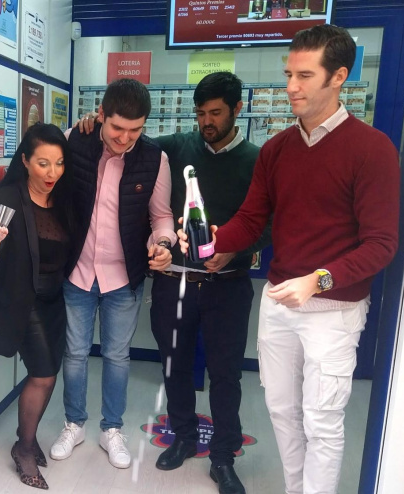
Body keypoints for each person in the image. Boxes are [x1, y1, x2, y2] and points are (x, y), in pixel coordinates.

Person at [178, 25, 400, 494]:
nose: (291, 87)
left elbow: (381, 244)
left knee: (322, 420)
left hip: (333, 308)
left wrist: (317, 281)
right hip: (280, 302)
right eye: (288, 74)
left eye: (304, 75)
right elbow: (251, 216)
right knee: (281, 410)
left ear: (338, 76)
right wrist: (211, 242)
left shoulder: (372, 149)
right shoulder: (278, 149)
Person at [76, 72, 269, 494]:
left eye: (215, 113)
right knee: (174, 365)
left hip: (227, 283)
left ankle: (223, 454)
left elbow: (267, 223)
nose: (206, 122)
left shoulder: (257, 160)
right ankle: (181, 434)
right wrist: (91, 121)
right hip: (175, 281)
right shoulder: (176, 146)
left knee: (225, 373)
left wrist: (236, 250)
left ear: (237, 109)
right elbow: (127, 142)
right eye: (200, 114)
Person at [49, 78, 175, 470]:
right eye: (117, 128)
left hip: (125, 277)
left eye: (135, 130)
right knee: (74, 354)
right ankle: (74, 424)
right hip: (79, 271)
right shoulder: (74, 140)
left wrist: (164, 244)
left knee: (118, 357)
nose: (124, 138)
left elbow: (161, 216)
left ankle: (112, 429)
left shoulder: (156, 158)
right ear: (100, 114)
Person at [0, 123, 77, 490]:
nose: (52, 173)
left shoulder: (63, 200)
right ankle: (25, 447)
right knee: (43, 374)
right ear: (26, 161)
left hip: (55, 299)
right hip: (23, 298)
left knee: (50, 373)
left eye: (59, 163)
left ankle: (24, 440)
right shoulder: (8, 199)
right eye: (43, 163)